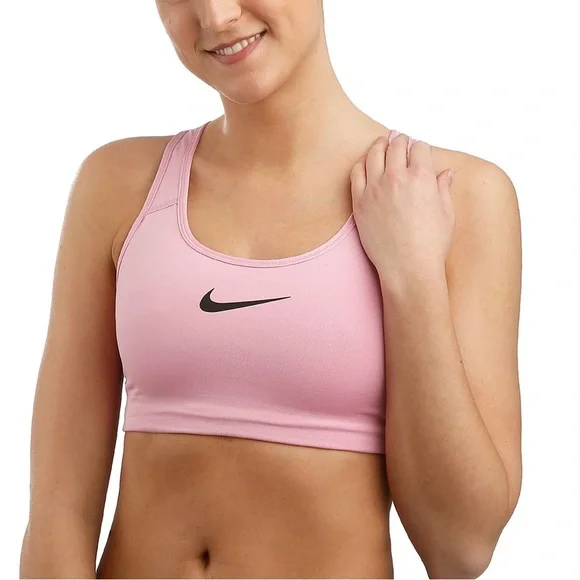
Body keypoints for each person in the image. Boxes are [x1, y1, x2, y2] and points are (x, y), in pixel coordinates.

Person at [19, 0, 523, 578]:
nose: (216, 16)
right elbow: (57, 513)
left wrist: (413, 276)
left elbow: (461, 548)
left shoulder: (454, 196)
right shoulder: (119, 184)